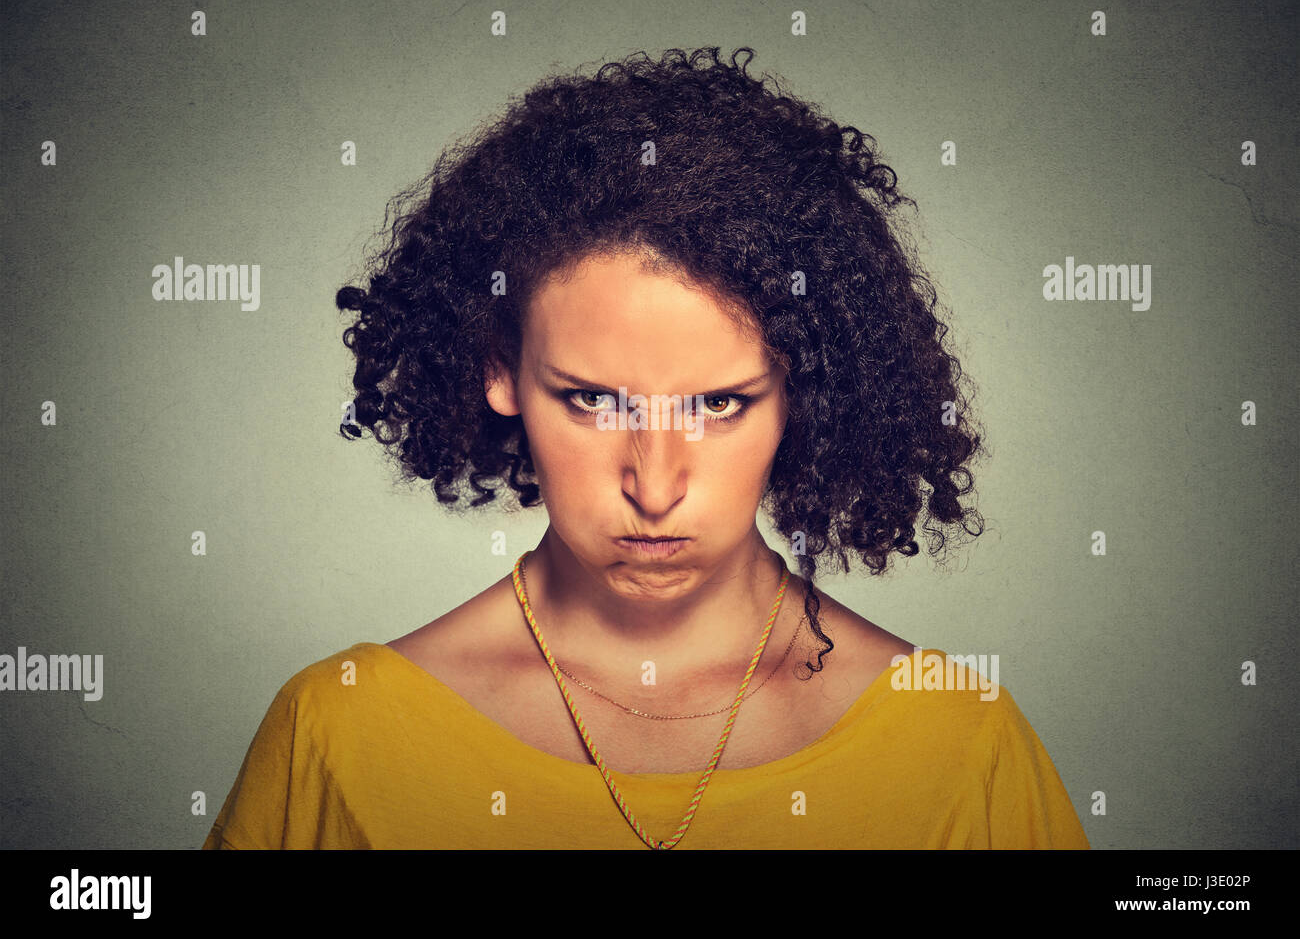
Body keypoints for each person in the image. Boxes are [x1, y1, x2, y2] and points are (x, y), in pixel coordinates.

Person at [202, 47, 1088, 849]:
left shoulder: (958, 744)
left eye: (719, 402)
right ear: (500, 373)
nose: (656, 485)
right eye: (591, 401)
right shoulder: (342, 734)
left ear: (801, 397)